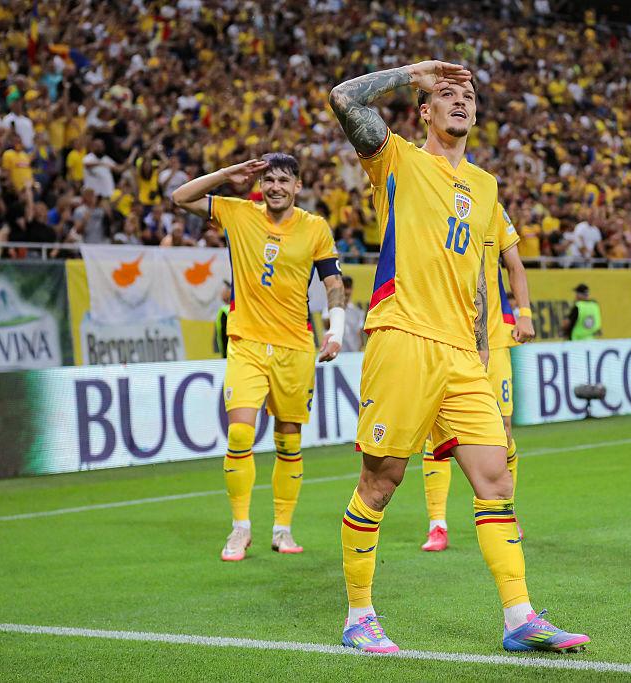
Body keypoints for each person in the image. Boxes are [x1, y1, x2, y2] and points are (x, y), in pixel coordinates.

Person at [329, 60, 587, 654]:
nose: (461, 101)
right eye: (447, 94)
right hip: (403, 335)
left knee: (496, 479)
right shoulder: (396, 158)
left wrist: (481, 348)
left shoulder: (486, 185)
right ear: (425, 109)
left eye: (468, 94)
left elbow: (478, 279)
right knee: (381, 480)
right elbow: (344, 98)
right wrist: (413, 72)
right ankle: (359, 616)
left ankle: (519, 618)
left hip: (465, 355)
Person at [173, 152, 345, 561]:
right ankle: (240, 528)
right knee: (239, 434)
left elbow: (333, 282)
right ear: (259, 185)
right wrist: (226, 174)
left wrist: (336, 331)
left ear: (298, 186)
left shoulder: (315, 228)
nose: (275, 187)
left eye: (284, 180)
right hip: (246, 341)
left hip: (295, 346)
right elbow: (180, 197)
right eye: (269, 180)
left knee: (289, 440)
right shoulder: (238, 213)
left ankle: (282, 529)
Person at [421, 201, 536, 552]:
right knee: (435, 433)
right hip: (447, 337)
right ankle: (437, 524)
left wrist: (525, 313)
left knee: (503, 432)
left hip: (495, 338)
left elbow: (514, 265)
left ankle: (506, 510)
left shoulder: (491, 207)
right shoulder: (434, 201)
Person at [215, 280, 232, 358]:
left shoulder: (226, 311)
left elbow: (225, 336)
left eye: (224, 290)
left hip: (230, 353)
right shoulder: (225, 310)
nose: (221, 293)